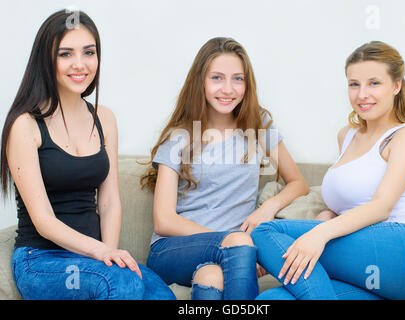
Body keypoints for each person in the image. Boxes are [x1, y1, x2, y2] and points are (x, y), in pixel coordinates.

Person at [1, 10, 175, 300]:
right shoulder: (26, 125)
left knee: (159, 294)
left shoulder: (104, 118)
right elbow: (43, 220)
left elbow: (109, 202)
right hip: (42, 260)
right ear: (47, 60)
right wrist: (102, 253)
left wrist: (109, 255)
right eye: (66, 54)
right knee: (122, 284)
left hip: (94, 256)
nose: (79, 64)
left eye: (89, 52)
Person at [251, 41, 405, 300]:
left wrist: (317, 234)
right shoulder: (346, 136)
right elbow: (350, 199)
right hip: (371, 273)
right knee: (272, 299)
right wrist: (326, 216)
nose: (362, 94)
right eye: (354, 84)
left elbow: (381, 207)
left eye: (374, 83)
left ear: (396, 86)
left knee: (265, 232)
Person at [141, 37, 309, 300]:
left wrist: (267, 208)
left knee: (212, 277)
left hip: (230, 254)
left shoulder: (259, 125)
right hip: (173, 250)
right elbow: (164, 220)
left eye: (238, 79)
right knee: (239, 243)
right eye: (217, 78)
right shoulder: (180, 136)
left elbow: (298, 183)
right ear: (201, 82)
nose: (228, 89)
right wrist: (231, 242)